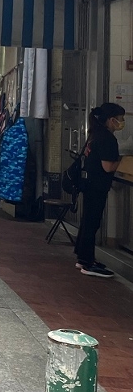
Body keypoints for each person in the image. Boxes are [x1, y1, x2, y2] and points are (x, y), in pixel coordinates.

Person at [74, 102, 125, 278]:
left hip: (89, 183)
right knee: (92, 223)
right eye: (120, 119)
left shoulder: (95, 134)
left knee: (88, 221)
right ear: (110, 120)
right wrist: (122, 161)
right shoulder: (107, 138)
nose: (122, 122)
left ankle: (83, 257)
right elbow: (108, 167)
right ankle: (87, 263)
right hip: (97, 186)